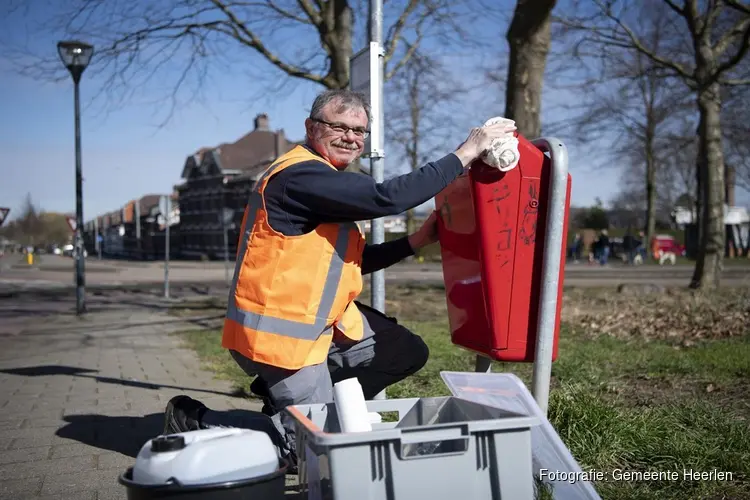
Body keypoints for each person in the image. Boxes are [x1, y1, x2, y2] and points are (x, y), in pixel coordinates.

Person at [161, 89, 517, 467]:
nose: (351, 137)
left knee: (404, 351)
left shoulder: (325, 181)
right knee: (313, 454)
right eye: (339, 127)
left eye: (359, 131)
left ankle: (311, 410)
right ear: (311, 128)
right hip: (283, 335)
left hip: (322, 322)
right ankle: (197, 419)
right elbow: (386, 197)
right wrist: (466, 152)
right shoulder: (300, 177)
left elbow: (349, 262)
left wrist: (414, 241)